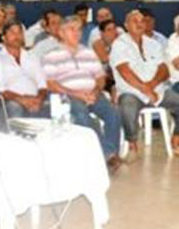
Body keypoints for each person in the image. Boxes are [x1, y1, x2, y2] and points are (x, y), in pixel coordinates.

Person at [111, 10, 179, 159]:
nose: (139, 24)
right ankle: (132, 145)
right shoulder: (119, 44)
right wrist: (144, 89)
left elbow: (164, 70)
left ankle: (177, 142)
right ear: (125, 25)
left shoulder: (154, 44)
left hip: (157, 90)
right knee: (127, 105)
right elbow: (124, 71)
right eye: (134, 21)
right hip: (131, 91)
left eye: (142, 21)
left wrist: (152, 85)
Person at [43, 16, 122, 171]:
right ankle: (107, 154)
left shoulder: (88, 53)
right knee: (81, 114)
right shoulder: (51, 55)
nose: (77, 33)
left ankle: (111, 153)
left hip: (93, 93)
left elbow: (100, 78)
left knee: (113, 113)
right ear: (61, 33)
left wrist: (96, 91)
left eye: (78, 29)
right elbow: (51, 84)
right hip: (67, 95)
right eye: (72, 29)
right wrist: (77, 94)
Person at [0, 20, 49, 117]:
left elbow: (42, 84)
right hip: (13, 102)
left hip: (35, 98)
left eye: (19, 32)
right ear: (4, 37)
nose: (17, 36)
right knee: (14, 107)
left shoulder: (32, 57)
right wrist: (23, 100)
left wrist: (39, 99)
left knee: (54, 104)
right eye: (12, 32)